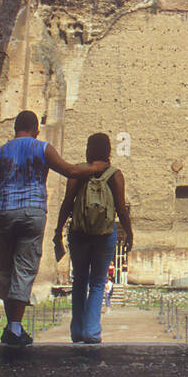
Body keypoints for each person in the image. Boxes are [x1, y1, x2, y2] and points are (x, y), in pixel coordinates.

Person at [0, 111, 106, 346]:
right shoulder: (41, 148)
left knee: (5, 267)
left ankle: (12, 326)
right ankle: (14, 327)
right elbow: (70, 171)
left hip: (3, 213)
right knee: (24, 267)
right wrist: (96, 168)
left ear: (15, 128)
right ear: (35, 128)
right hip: (31, 212)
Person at [55, 132, 132, 344]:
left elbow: (67, 203)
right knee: (98, 283)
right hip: (105, 234)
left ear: (88, 150)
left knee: (79, 280)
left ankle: (77, 332)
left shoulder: (78, 172)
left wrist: (58, 230)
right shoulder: (115, 174)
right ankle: (92, 332)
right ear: (108, 151)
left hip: (79, 233)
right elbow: (121, 209)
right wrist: (129, 232)